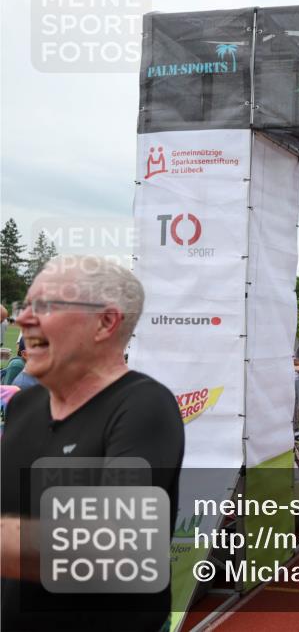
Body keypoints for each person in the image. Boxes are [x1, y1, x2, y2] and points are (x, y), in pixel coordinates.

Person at [0, 255, 184, 631]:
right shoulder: (24, 406)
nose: (23, 320)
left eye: (45, 306)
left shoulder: (143, 405)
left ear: (105, 322)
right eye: (25, 306)